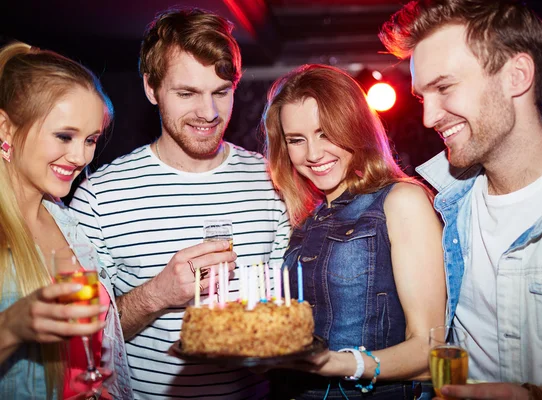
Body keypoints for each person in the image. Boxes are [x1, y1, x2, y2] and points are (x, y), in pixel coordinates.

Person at [379, 0, 542, 398]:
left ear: (516, 76)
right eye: (421, 97)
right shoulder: (439, 206)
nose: (428, 117)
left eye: (444, 87)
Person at [69, 8, 291, 399]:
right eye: (187, 93)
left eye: (221, 92)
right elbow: (78, 339)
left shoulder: (273, 182)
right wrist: (159, 294)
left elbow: (283, 314)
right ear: (151, 89)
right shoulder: (98, 196)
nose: (208, 113)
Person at [261, 64, 446, 399]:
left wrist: (341, 363)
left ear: (355, 127)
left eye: (325, 133)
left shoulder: (401, 200)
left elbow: (430, 350)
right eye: (296, 140)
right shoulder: (307, 218)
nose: (314, 154)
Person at [0, 42, 132, 399]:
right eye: (64, 136)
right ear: (6, 128)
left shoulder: (70, 225)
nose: (79, 156)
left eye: (90, 140)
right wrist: (10, 327)